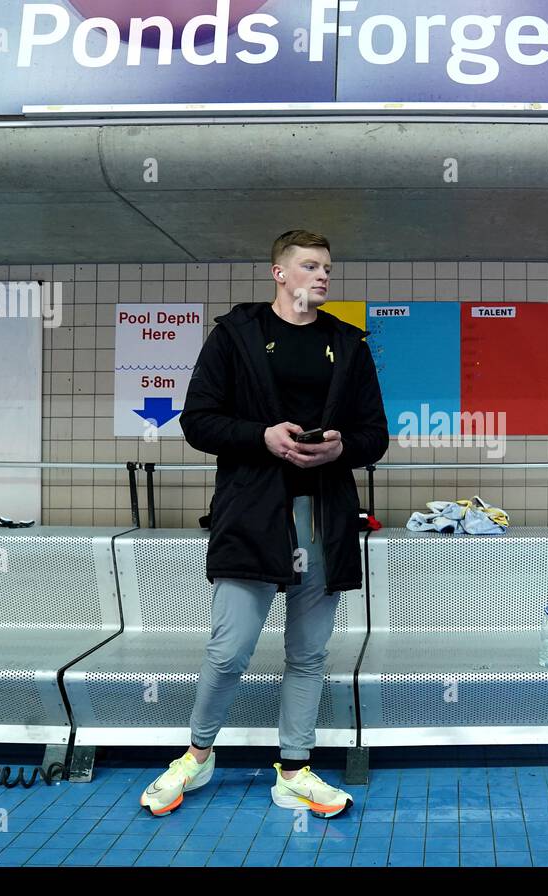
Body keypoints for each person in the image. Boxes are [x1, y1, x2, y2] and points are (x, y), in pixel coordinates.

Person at [140, 230, 389, 815]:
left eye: (327, 266)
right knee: (230, 651)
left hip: (322, 517)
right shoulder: (235, 337)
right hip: (253, 514)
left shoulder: (348, 345)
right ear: (279, 273)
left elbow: (374, 435)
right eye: (309, 265)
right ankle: (197, 758)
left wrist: (340, 448)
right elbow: (197, 421)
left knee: (308, 654)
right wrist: (261, 436)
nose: (323, 276)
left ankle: (295, 770)